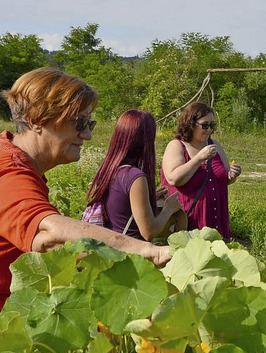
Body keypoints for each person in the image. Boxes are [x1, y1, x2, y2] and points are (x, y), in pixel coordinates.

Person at [0, 67, 171, 308]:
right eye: (79, 123)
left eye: (89, 122)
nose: (88, 134)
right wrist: (146, 250)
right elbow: (47, 234)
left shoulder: (18, 161)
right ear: (37, 120)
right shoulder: (8, 168)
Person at [85, 109, 186, 241]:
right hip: (130, 252)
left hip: (112, 248)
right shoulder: (135, 177)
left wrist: (149, 198)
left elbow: (120, 207)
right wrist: (169, 208)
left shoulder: (111, 169)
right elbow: (149, 231)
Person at [161, 102, 241, 239]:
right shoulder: (176, 145)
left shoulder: (214, 145)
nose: (209, 129)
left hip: (216, 220)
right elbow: (174, 179)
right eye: (205, 125)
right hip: (187, 220)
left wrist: (232, 175)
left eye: (212, 125)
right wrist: (199, 158)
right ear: (190, 124)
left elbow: (223, 178)